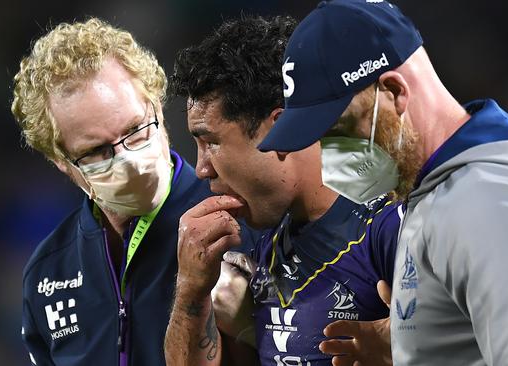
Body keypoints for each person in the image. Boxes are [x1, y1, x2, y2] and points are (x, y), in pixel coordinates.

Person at [257, 1, 508, 365]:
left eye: (339, 129)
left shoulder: (488, 203)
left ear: (394, 92)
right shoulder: (442, 189)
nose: (329, 157)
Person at [11, 18, 257, 366]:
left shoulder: (243, 221)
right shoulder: (47, 272)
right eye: (97, 151)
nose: (128, 159)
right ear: (61, 160)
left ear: (157, 105)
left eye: (136, 129)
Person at [164, 15, 401, 366]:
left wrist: (413, 349)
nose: (201, 169)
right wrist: (191, 289)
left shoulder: (390, 224)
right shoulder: (264, 237)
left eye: (210, 142)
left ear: (279, 131)